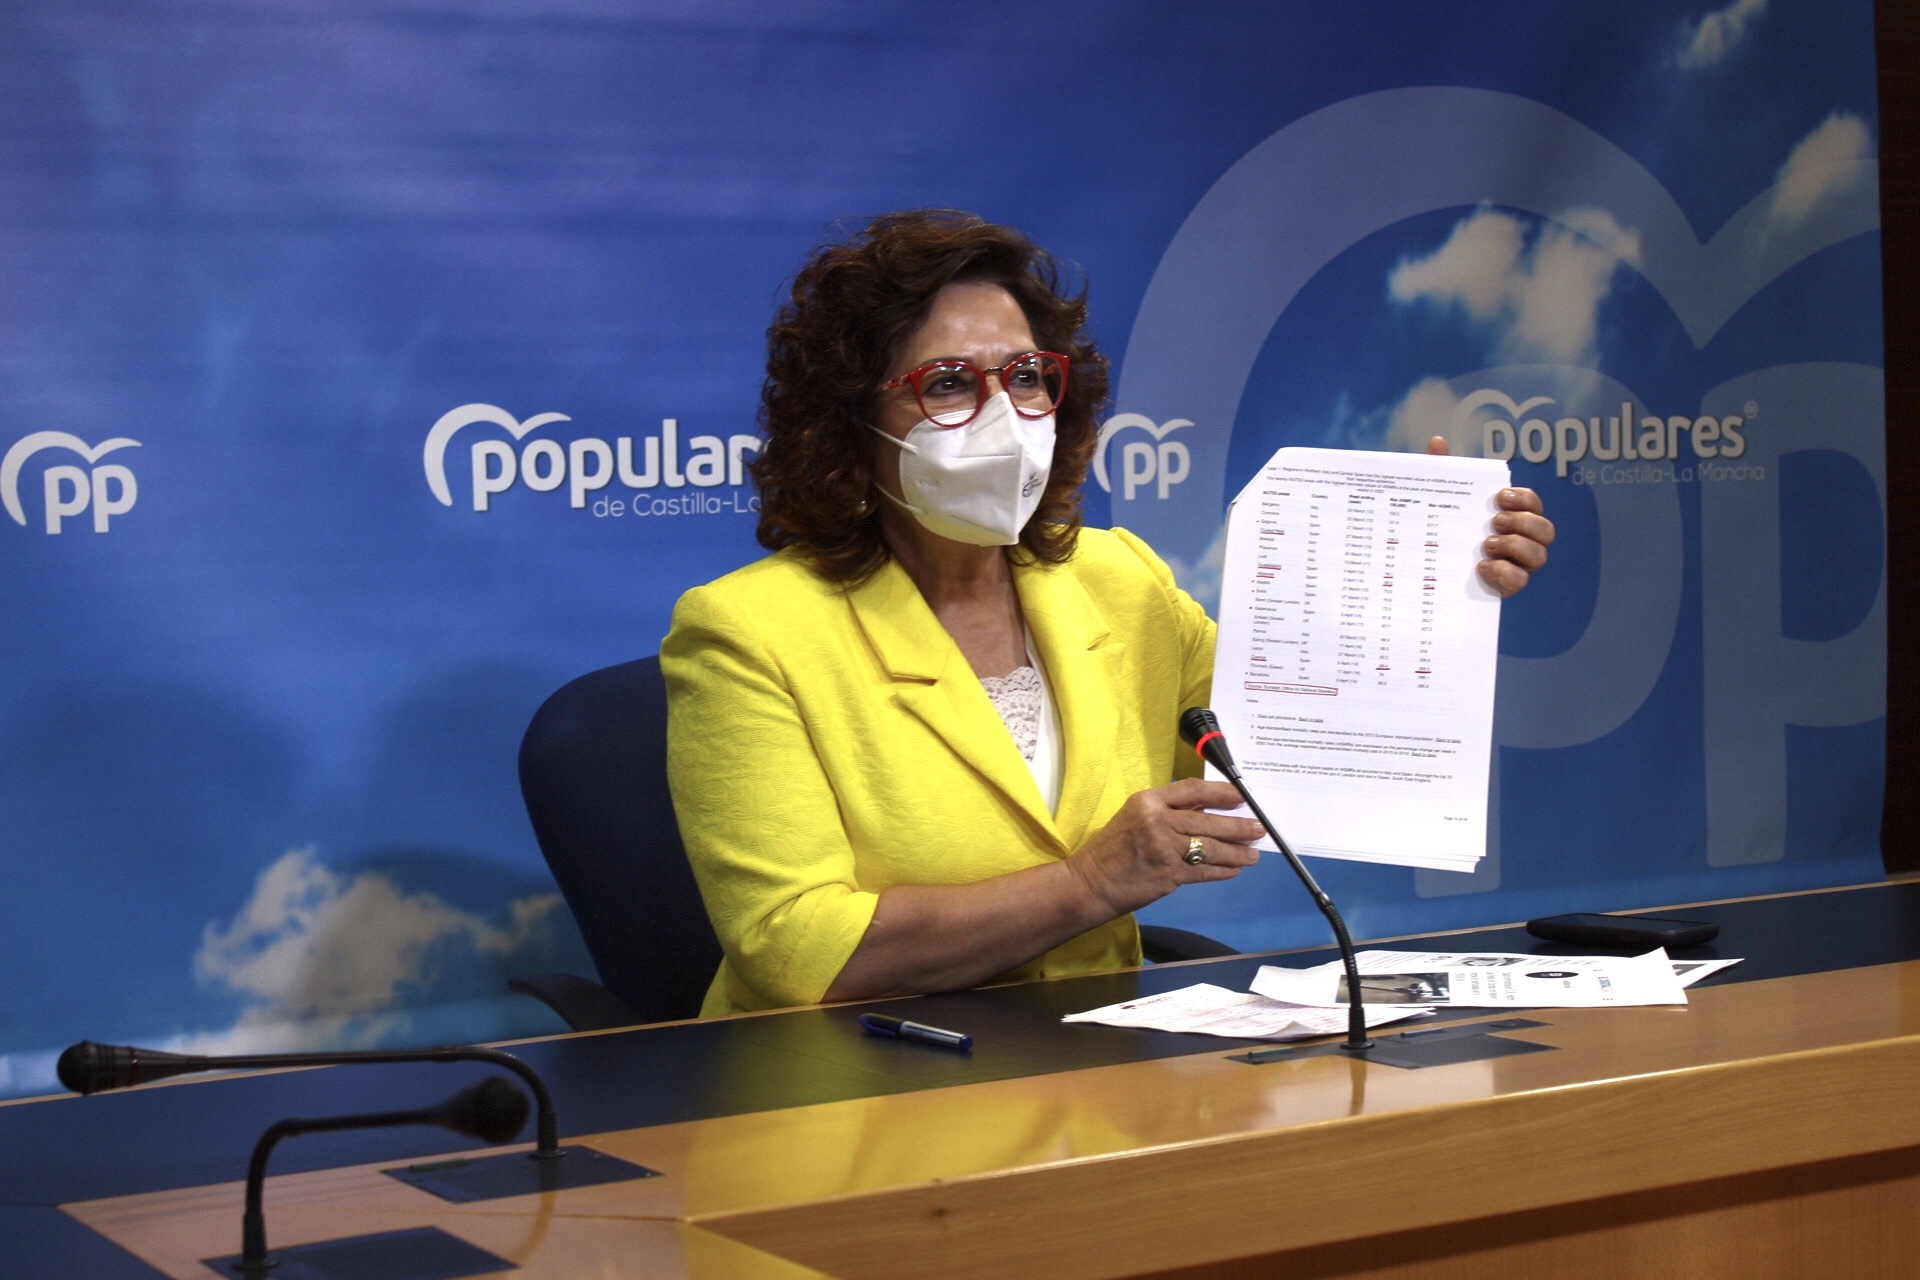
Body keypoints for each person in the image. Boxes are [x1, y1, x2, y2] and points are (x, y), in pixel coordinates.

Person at [661, 210, 1554, 1017]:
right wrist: (1089, 884)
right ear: (851, 421)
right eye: (948, 385)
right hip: (851, 1086)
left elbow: (1299, 742)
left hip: (1097, 1068)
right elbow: (794, 949)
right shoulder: (747, 633)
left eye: (1026, 376)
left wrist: (1433, 576)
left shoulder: (1117, 578)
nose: (1003, 415)